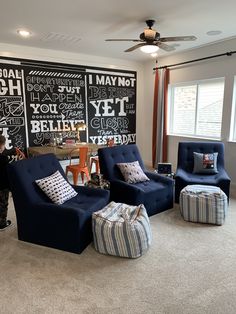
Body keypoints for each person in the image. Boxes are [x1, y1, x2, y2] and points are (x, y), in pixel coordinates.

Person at [0, 135, 16, 230]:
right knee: (3, 204)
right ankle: (2, 223)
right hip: (2, 186)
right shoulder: (3, 159)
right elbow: (7, 174)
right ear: (2, 146)